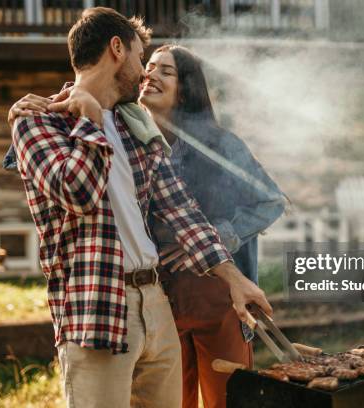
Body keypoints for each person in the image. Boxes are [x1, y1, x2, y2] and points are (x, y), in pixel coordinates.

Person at [5, 7, 272, 408]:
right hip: (96, 306)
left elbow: (181, 210)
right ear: (116, 48)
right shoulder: (38, 123)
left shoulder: (134, 127)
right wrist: (92, 121)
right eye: (138, 57)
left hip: (157, 304)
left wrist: (235, 278)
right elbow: (78, 193)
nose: (143, 72)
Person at [140, 45, 285, 408]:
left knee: (227, 399)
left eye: (165, 71)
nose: (151, 74)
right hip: (161, 299)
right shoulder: (134, 144)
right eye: (149, 66)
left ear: (186, 88)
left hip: (220, 298)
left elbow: (271, 201)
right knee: (173, 401)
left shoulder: (220, 144)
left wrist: (215, 237)